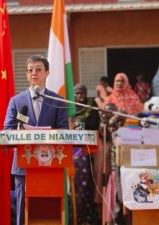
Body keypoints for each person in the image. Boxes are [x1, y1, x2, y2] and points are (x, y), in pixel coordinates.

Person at [4, 55, 68, 225]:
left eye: (39, 69)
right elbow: (7, 131)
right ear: (26, 74)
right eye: (30, 70)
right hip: (23, 165)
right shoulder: (16, 101)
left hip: (51, 164)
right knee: (22, 209)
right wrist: (19, 132)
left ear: (47, 73)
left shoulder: (58, 101)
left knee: (49, 209)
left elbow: (64, 130)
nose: (34, 73)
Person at [69, 84, 100, 225]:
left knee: (85, 185)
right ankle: (72, 217)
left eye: (81, 93)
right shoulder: (68, 107)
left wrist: (81, 125)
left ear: (86, 94)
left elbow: (94, 126)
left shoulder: (92, 107)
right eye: (76, 93)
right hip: (69, 151)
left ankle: (85, 218)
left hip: (85, 151)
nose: (78, 96)